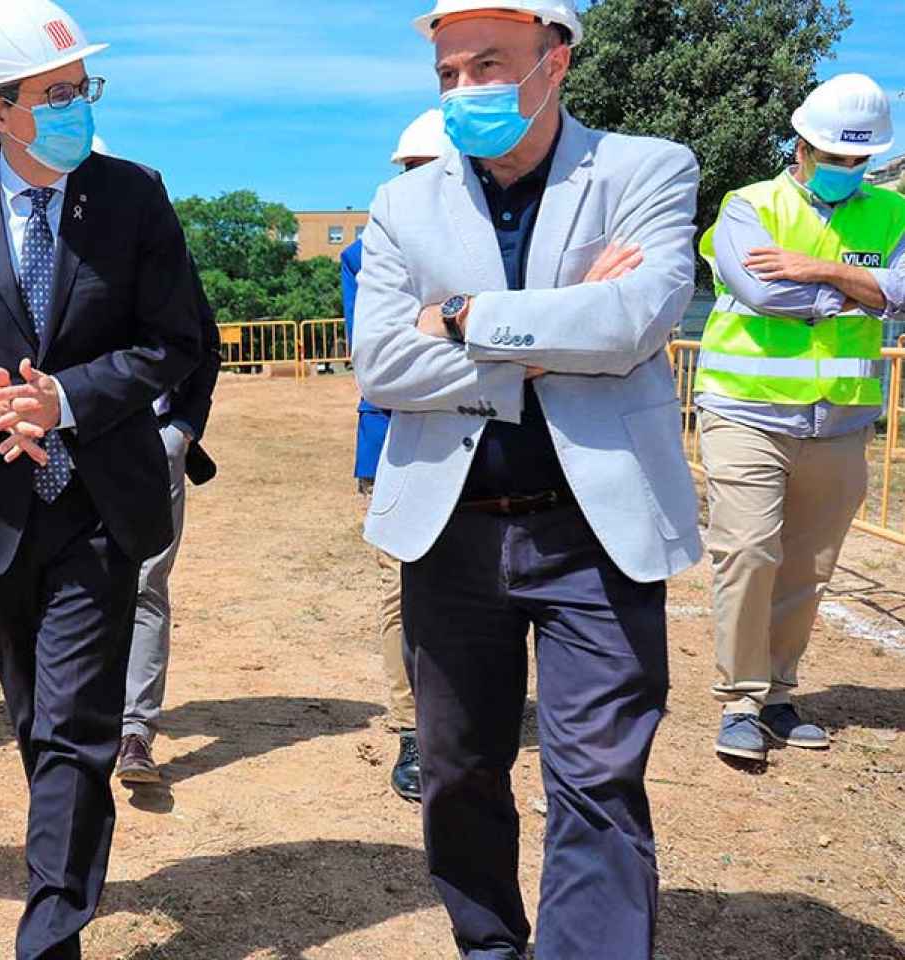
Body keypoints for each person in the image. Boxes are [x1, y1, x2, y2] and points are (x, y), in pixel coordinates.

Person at [353, 2, 703, 956]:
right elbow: (381, 367)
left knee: (596, 778)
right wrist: (560, 326)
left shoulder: (646, 169)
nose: (468, 90)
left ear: (556, 61)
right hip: (452, 532)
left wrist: (459, 317)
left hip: (597, 533)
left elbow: (634, 323)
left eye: (489, 65)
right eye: (449, 74)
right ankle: (490, 944)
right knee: (460, 770)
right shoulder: (403, 204)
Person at [0, 1, 201, 954]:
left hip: (102, 503)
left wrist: (63, 400)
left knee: (72, 726)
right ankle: (67, 845)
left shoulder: (135, 195)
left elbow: (173, 341)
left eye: (79, 90)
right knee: (35, 720)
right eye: (53, 93)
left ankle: (49, 932)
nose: (75, 108)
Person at [696, 74, 904, 765]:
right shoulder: (748, 206)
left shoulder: (891, 214)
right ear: (802, 145)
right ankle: (741, 701)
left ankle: (780, 694)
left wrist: (814, 269)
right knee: (751, 551)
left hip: (840, 422)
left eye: (858, 161)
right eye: (833, 156)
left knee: (810, 568)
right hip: (746, 412)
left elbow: (901, 293)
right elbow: (760, 292)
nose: (846, 170)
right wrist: (859, 291)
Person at [87, 137, 222, 787]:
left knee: (143, 583)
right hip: (68, 449)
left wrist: (183, 431)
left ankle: (136, 730)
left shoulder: (165, 262)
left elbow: (206, 342)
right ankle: (81, 717)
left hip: (153, 443)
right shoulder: (37, 266)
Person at [342, 107, 450, 804]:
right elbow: (384, 356)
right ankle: (413, 729)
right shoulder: (366, 253)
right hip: (395, 440)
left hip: (481, 437)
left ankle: (463, 713)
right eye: (406, 174)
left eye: (422, 173)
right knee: (402, 591)